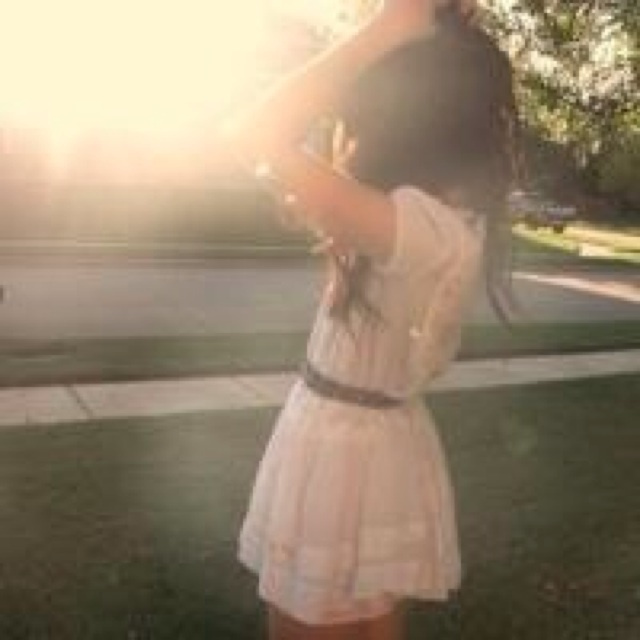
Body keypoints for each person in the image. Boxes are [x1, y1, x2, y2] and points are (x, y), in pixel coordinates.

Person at [224, 1, 518, 638]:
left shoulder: (418, 225)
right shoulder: (426, 217)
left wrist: (389, 28)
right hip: (360, 438)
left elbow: (255, 132)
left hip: (345, 452)